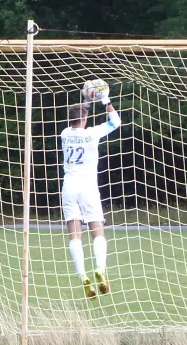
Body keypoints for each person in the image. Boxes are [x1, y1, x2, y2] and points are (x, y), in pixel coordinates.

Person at [61, 83, 121, 299]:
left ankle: (82, 275)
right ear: (85, 119)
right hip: (88, 186)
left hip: (69, 187)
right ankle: (101, 269)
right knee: (97, 230)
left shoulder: (65, 133)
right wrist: (104, 99)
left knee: (75, 234)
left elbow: (79, 115)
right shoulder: (93, 134)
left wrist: (87, 99)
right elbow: (116, 121)